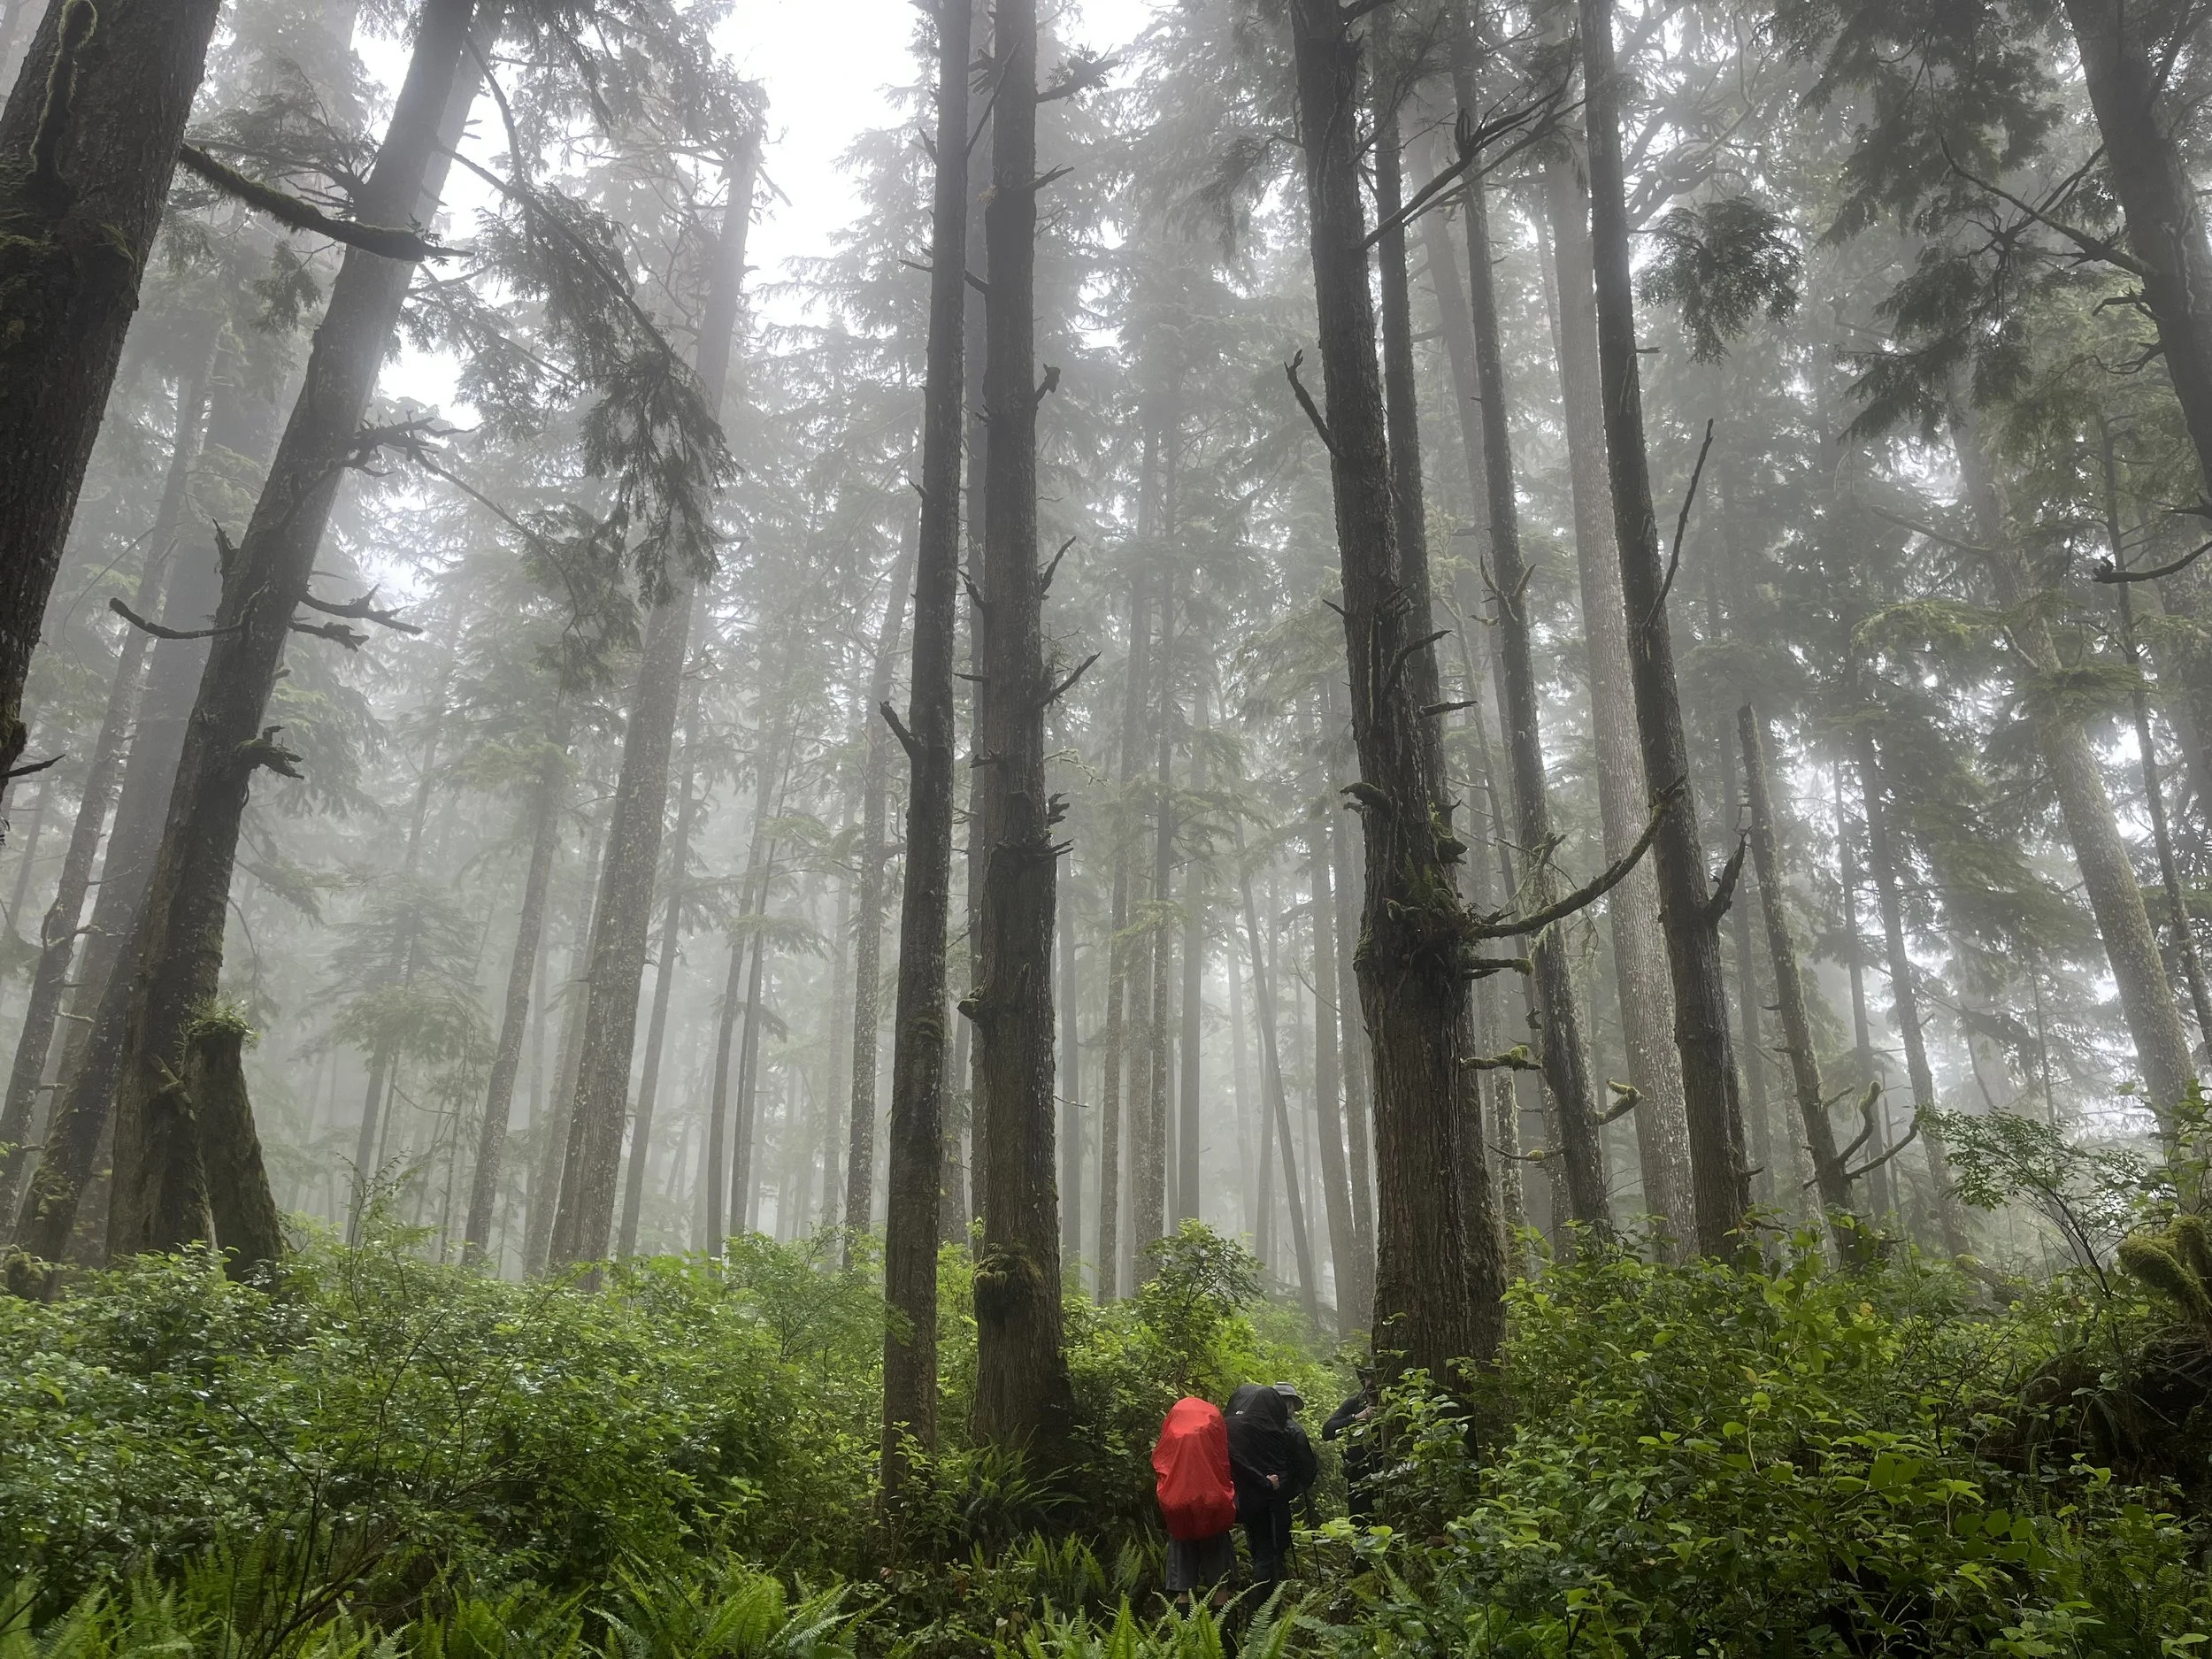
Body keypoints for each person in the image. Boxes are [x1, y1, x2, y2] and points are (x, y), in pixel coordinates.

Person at [1225, 1381, 1317, 1586]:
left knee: (1259, 1547)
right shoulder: (1292, 1430)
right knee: (1273, 1550)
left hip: (1249, 1495)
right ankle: (1268, 1603)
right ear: (1288, 1404)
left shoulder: (1247, 1426)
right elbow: (1307, 1471)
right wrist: (1290, 1488)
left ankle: (1266, 1592)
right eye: (1292, 1404)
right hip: (1276, 1499)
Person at [1152, 1395, 1238, 1611]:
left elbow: (1160, 1463)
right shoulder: (1213, 1428)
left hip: (1179, 1510)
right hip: (1213, 1508)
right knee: (1220, 1583)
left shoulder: (1173, 1432)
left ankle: (1186, 1640)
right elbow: (1224, 1463)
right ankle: (1223, 1641)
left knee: (1183, 1589)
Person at [1322, 1371, 1378, 1525]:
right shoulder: (1354, 1404)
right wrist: (1356, 1418)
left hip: (1386, 1475)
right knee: (1360, 1524)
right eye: (1368, 1376)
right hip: (1358, 1476)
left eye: (1375, 1376)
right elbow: (1327, 1431)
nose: (1371, 1381)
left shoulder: (1393, 1402)